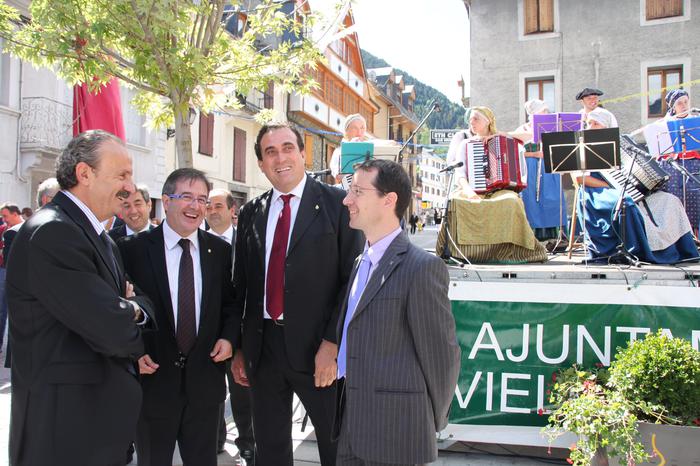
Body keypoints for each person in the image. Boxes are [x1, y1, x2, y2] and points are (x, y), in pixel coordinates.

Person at [5, 129, 153, 466]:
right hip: (65, 433)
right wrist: (130, 310)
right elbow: (112, 329)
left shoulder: (98, 236)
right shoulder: (53, 231)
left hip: (93, 425)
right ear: (84, 173)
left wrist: (128, 308)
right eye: (122, 175)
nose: (130, 186)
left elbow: (134, 305)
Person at [230, 122, 363, 466]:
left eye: (288, 148)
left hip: (319, 349)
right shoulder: (251, 212)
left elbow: (353, 280)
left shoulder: (338, 204)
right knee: (270, 449)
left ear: (303, 154)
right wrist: (240, 347)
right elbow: (240, 284)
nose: (280, 158)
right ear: (261, 163)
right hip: (263, 349)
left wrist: (333, 344)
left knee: (337, 448)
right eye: (270, 152)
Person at [333, 159, 461, 466]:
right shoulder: (360, 262)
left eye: (357, 191)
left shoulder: (422, 267)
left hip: (397, 431)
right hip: (352, 428)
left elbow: (442, 356)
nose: (347, 200)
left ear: (388, 200)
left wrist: (427, 420)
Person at [118, 168, 238, 466]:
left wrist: (228, 338)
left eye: (202, 199)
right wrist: (133, 352)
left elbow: (231, 304)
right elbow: (117, 310)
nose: (196, 206)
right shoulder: (131, 250)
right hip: (153, 384)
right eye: (186, 197)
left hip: (205, 386)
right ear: (166, 201)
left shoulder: (220, 251)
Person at [574, 108, 698, 264]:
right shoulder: (583, 146)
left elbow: (630, 173)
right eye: (588, 123)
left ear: (607, 126)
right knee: (626, 203)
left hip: (624, 188)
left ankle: (682, 250)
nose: (590, 127)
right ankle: (637, 251)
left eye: (595, 123)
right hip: (596, 191)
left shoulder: (620, 145)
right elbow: (580, 178)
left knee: (670, 200)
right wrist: (612, 184)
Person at [436, 106, 548, 263]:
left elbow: (527, 140)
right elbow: (460, 174)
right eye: (470, 119)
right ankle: (461, 251)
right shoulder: (465, 143)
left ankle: (509, 251)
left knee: (512, 201)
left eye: (476, 119)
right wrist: (469, 192)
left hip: (499, 190)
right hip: (470, 189)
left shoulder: (502, 140)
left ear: (488, 121)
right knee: (455, 201)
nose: (471, 122)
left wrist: (499, 135)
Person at [206, 188, 255, 464]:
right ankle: (215, 440)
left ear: (232, 210)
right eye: (208, 207)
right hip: (209, 334)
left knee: (241, 393)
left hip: (241, 333)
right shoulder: (196, 242)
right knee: (212, 393)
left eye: (217, 206)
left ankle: (247, 442)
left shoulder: (246, 243)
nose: (212, 211)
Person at [510, 99, 568, 242]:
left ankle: (557, 237)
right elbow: (516, 153)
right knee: (531, 201)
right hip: (530, 168)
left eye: (546, 111)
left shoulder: (553, 128)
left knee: (553, 199)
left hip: (549, 168)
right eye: (543, 111)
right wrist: (534, 154)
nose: (546, 114)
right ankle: (534, 238)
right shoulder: (522, 130)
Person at [658, 89, 700, 235]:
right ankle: (678, 237)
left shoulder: (696, 122)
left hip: (693, 166)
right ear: (673, 107)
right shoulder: (663, 125)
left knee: (695, 199)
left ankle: (696, 236)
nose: (684, 106)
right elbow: (659, 151)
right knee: (674, 200)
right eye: (679, 103)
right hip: (672, 168)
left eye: (686, 102)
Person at [0, 203, 24, 353]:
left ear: (15, 214)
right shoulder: (3, 229)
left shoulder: (25, 229)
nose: (4, 219)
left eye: (5, 216)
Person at [329, 114, 371, 185]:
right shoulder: (338, 151)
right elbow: (337, 175)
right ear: (346, 131)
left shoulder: (370, 148)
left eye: (362, 128)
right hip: (348, 187)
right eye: (354, 128)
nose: (359, 132)